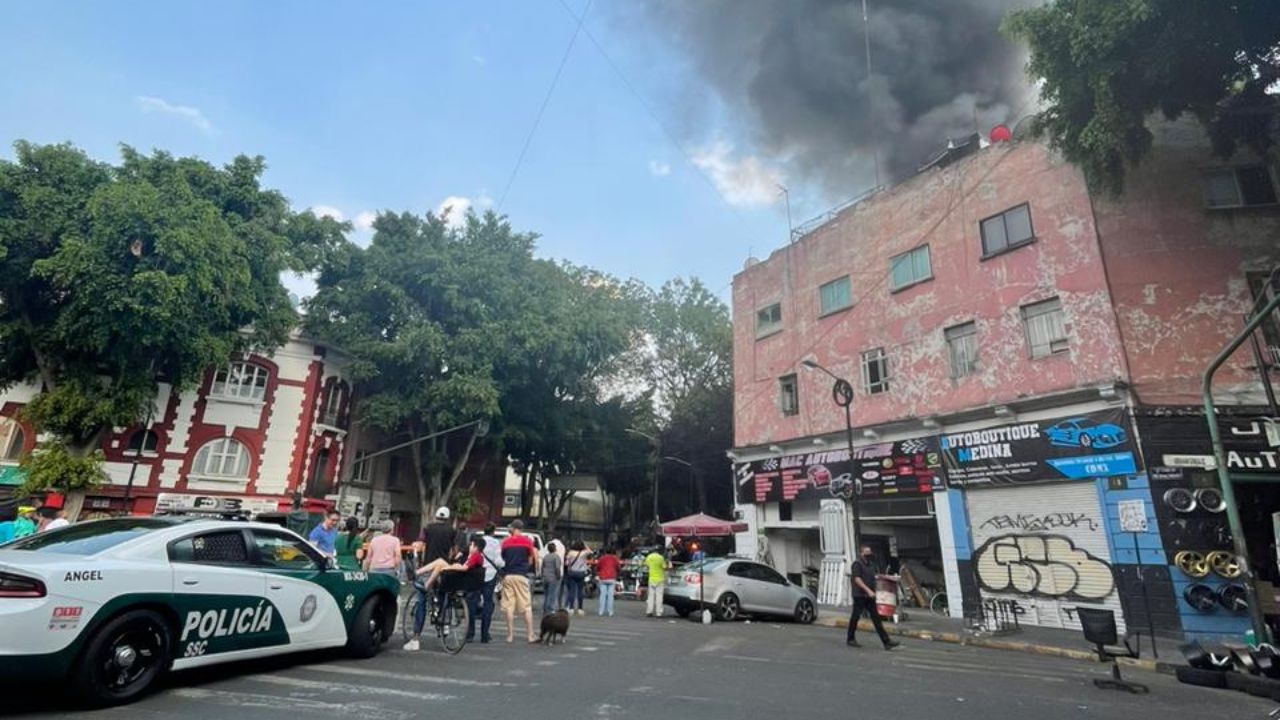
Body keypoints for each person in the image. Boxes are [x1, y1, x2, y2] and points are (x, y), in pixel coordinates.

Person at [404, 507, 458, 650]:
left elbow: (420, 544)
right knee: (443, 594)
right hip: (444, 568)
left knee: (421, 600)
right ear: (447, 518)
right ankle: (445, 623)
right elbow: (454, 551)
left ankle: (416, 638)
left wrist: (417, 554)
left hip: (429, 567)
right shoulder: (452, 530)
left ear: (436, 516)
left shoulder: (427, 528)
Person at [847, 545, 900, 650]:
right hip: (860, 595)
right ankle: (850, 638)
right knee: (855, 617)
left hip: (870, 595)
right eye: (866, 553)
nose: (869, 555)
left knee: (876, 618)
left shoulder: (871, 565)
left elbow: (873, 577)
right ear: (861, 553)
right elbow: (857, 579)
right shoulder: (857, 564)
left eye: (869, 553)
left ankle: (886, 642)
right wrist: (868, 590)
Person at [499, 519, 539, 644]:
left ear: (514, 528)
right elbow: (531, 559)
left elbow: (502, 558)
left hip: (508, 575)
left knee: (509, 607)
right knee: (526, 607)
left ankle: (510, 636)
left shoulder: (505, 542)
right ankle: (530, 635)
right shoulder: (528, 541)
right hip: (521, 575)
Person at [466, 523, 504, 644]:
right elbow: (498, 561)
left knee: (471, 602)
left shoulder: (478, 541)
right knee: (488, 603)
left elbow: (471, 556)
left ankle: (470, 633)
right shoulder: (495, 543)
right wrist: (503, 565)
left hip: (476, 575)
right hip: (490, 575)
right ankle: (484, 634)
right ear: (493, 531)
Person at [563, 540, 591, 616]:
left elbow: (566, 563)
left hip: (572, 572)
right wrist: (585, 545)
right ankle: (580, 609)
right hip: (581, 573)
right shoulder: (583, 553)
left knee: (572, 590)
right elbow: (590, 551)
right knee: (580, 591)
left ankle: (571, 608)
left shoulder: (570, 552)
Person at [644, 546, 670, 618]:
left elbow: (647, 565)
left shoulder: (649, 557)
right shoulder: (661, 558)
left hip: (651, 578)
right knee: (659, 596)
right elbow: (664, 567)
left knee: (651, 596)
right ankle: (659, 613)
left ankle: (649, 611)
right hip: (660, 579)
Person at [595, 546, 620, 617]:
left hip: (603, 578)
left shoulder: (602, 558)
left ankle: (601, 611)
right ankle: (610, 611)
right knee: (610, 596)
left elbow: (598, 567)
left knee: (602, 595)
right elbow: (618, 567)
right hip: (612, 577)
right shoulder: (615, 559)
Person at [541, 544, 563, 615]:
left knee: (546, 594)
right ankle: (550, 609)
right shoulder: (556, 557)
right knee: (552, 594)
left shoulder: (545, 557)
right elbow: (557, 568)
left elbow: (542, 567)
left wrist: (542, 575)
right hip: (553, 577)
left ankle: (545, 608)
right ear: (555, 549)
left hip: (545, 577)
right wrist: (558, 576)